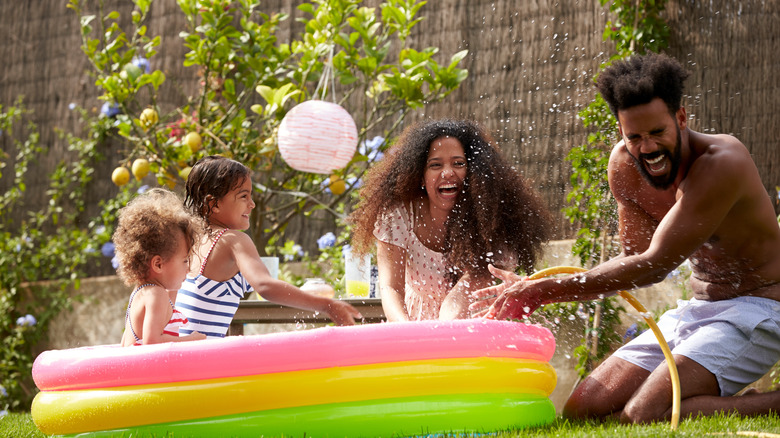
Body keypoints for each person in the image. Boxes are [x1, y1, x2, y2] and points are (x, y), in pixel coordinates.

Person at [473, 53, 780, 422]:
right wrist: (540, 285)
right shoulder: (624, 164)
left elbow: (654, 266)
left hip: (759, 309)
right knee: (581, 410)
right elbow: (632, 256)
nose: (647, 148)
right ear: (620, 130)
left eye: (657, 133)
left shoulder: (721, 163)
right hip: (699, 309)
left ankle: (771, 403)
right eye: (634, 136)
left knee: (642, 414)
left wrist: (542, 291)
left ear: (681, 118)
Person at [349, 119, 552, 321]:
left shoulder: (494, 219)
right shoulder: (399, 215)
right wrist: (407, 332)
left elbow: (456, 310)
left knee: (453, 315)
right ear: (420, 176)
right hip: (412, 323)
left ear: (474, 173)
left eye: (458, 163)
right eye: (435, 165)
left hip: (472, 327)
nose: (447, 172)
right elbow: (390, 287)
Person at [176, 155, 362, 338]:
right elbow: (264, 285)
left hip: (177, 352)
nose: (252, 204)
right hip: (200, 357)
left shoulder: (190, 240)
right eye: (244, 196)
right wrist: (326, 305)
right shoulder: (233, 240)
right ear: (213, 203)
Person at [113, 188, 207, 346]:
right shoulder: (157, 295)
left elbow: (125, 343)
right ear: (158, 264)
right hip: (145, 370)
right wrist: (192, 339)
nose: (189, 268)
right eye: (184, 261)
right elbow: (152, 341)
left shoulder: (143, 292)